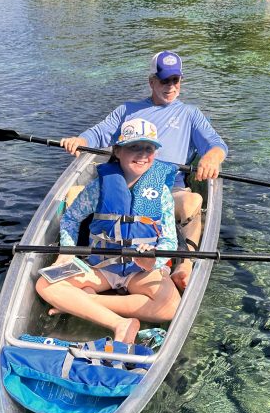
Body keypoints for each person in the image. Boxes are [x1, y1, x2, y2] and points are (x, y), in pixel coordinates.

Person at [60, 50, 228, 289]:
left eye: (175, 80)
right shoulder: (128, 110)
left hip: (169, 188)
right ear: (151, 81)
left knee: (193, 201)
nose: (170, 86)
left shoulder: (190, 114)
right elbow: (99, 133)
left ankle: (185, 263)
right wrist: (80, 141)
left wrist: (212, 157)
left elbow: (216, 144)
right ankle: (78, 258)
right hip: (124, 182)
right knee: (72, 197)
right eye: (163, 80)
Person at [36, 119, 181, 345]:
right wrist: (66, 252)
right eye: (134, 146)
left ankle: (81, 302)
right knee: (44, 284)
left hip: (139, 272)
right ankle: (120, 323)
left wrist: (154, 261)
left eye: (149, 148)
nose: (142, 154)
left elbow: (170, 240)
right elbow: (71, 218)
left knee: (171, 307)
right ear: (118, 151)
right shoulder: (99, 187)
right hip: (101, 267)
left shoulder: (160, 192)